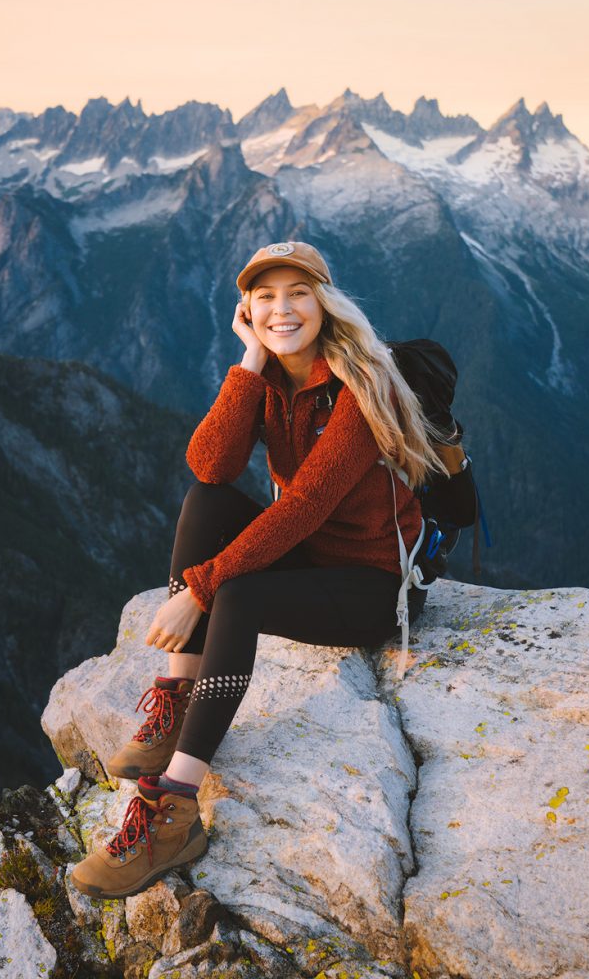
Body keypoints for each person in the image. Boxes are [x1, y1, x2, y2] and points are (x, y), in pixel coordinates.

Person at [70, 241, 454, 899]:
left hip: (373, 588)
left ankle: (175, 811)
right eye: (265, 296)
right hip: (312, 560)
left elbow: (302, 508)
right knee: (207, 502)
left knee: (236, 594)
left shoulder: (363, 385)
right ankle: (177, 695)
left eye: (297, 292)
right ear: (246, 308)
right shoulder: (271, 377)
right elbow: (210, 467)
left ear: (323, 302)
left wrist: (199, 590)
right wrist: (248, 364)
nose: (282, 308)